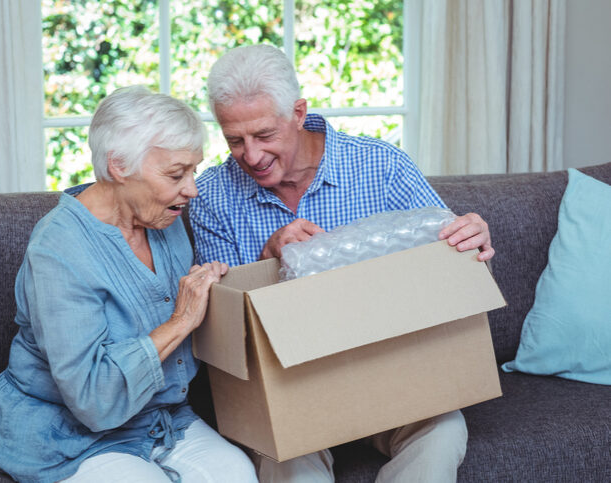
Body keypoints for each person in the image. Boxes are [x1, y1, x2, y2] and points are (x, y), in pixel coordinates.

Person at [189, 44, 495, 482]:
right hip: (286, 390)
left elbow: (458, 283)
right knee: (288, 465)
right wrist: (265, 260)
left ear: (298, 112)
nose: (251, 155)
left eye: (264, 135)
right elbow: (218, 331)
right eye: (235, 140)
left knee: (442, 433)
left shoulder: (381, 166)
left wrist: (472, 247)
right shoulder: (213, 197)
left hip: (394, 372)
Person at [0, 86, 258, 483]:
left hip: (159, 417)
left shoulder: (164, 217)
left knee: (239, 474)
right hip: (68, 432)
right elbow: (92, 401)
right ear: (118, 166)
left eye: (194, 170)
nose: (192, 189)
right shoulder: (58, 249)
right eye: (176, 174)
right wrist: (181, 320)